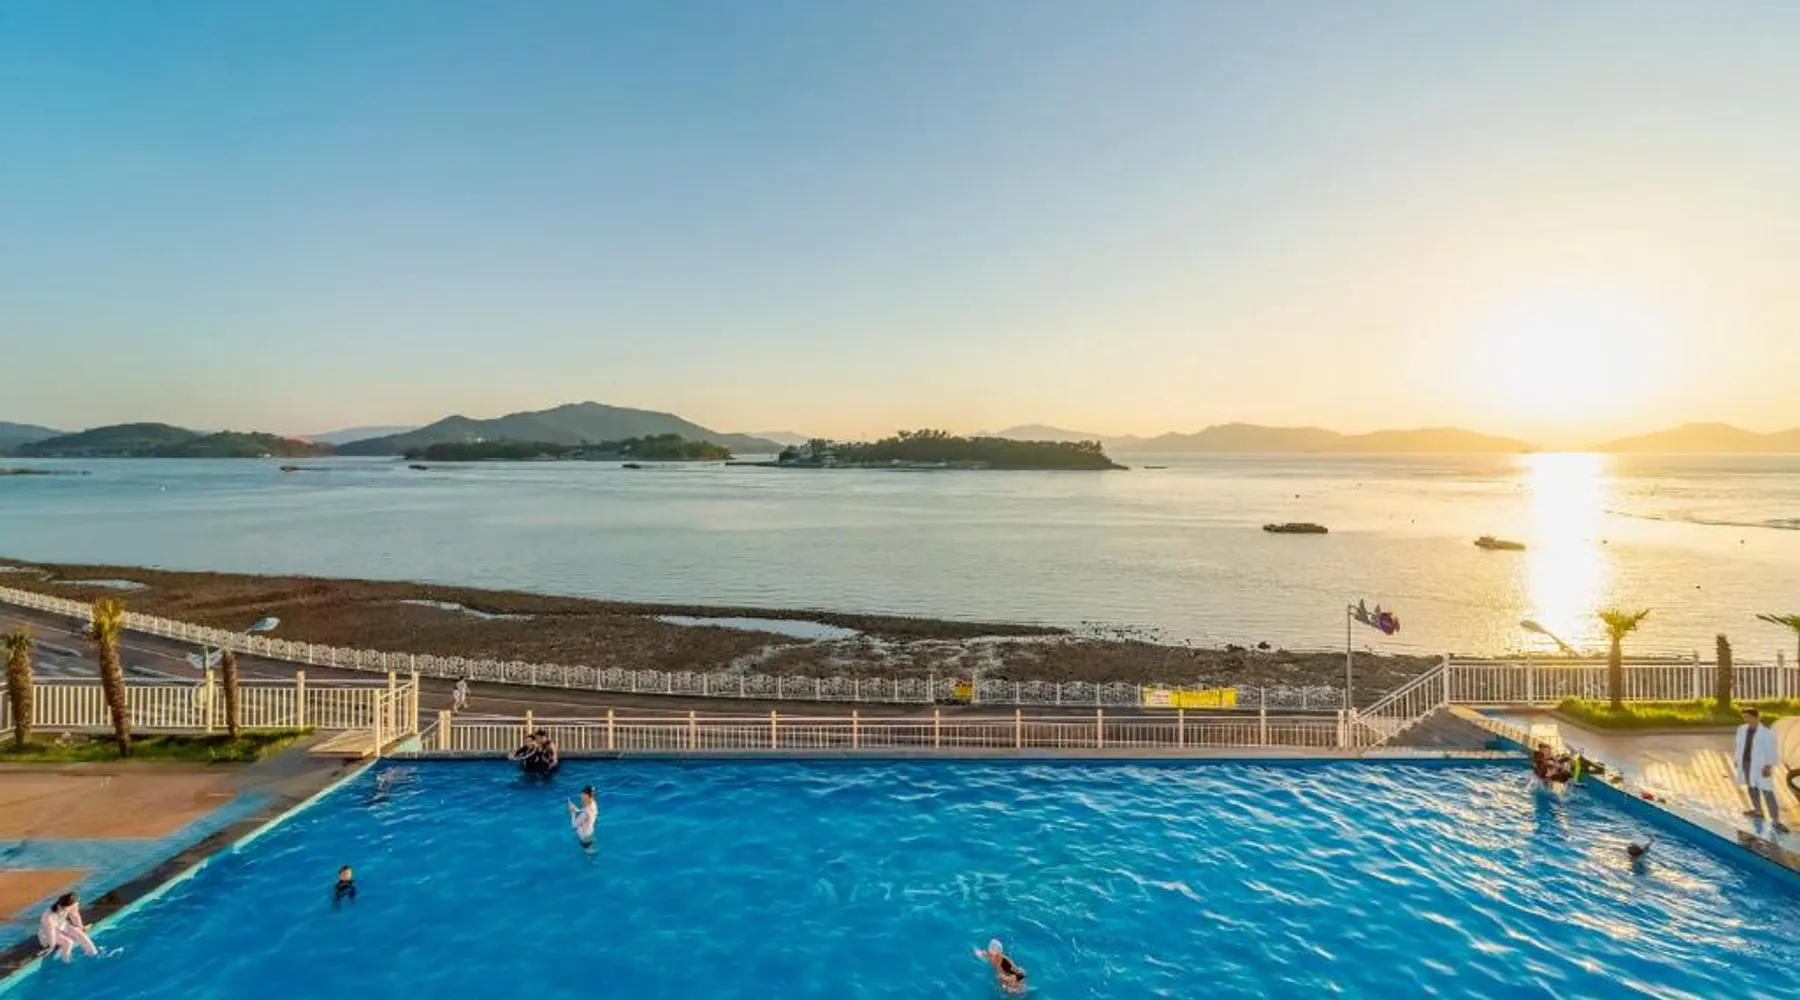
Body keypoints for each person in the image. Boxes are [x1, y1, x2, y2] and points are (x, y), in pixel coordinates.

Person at [1735, 707, 1788, 833]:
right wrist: (1737, 759)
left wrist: (1768, 766)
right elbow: (1739, 745)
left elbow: (1772, 751)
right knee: (1751, 787)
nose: (1746, 719)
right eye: (1744, 717)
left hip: (1761, 766)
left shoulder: (1767, 733)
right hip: (1746, 763)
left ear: (1757, 717)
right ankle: (1758, 811)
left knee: (1767, 791)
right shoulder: (1742, 729)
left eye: (1748, 717)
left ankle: (1775, 820)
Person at [38, 893, 98, 962]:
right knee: (68, 942)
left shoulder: (72, 904)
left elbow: (75, 916)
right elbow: (51, 932)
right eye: (72, 906)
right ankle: (66, 961)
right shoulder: (48, 917)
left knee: (81, 934)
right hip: (46, 933)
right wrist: (51, 948)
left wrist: (81, 927)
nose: (75, 907)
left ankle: (94, 954)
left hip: (61, 925)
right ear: (61, 907)